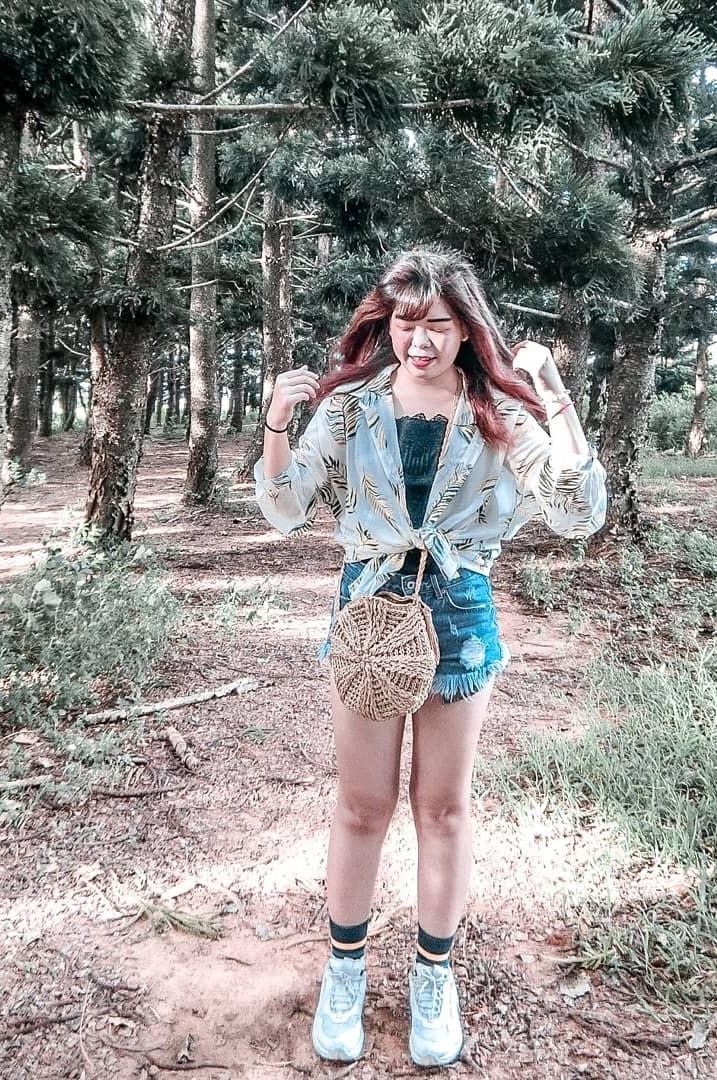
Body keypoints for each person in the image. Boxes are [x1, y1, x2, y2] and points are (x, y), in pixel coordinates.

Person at [254, 249, 606, 1067]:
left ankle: (433, 976)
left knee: (442, 807)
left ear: (467, 330)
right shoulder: (351, 408)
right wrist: (276, 423)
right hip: (368, 610)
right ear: (386, 325)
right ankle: (345, 971)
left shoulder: (496, 412)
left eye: (439, 325)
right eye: (406, 324)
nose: (420, 341)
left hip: (460, 613)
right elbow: (284, 507)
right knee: (361, 804)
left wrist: (554, 398)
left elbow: (577, 512)